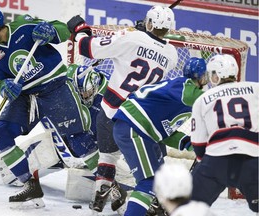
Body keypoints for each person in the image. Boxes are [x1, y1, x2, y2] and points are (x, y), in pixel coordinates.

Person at [0, 7, 93, 208]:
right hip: (27, 96)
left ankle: (110, 186)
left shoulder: (24, 26)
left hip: (54, 87)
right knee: (0, 135)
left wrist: (50, 31)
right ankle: (31, 188)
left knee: (78, 140)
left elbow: (62, 29)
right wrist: (5, 87)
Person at [67, 5, 178, 213]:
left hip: (111, 113)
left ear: (149, 22)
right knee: (153, 168)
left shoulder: (131, 38)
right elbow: (151, 51)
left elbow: (87, 48)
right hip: (141, 120)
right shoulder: (172, 55)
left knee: (107, 156)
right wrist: (144, 34)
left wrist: (80, 30)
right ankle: (156, 202)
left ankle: (100, 196)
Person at [112, 57, 208, 216]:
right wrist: (221, 99)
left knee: (161, 179)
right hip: (134, 128)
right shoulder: (184, 86)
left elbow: (165, 132)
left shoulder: (177, 94)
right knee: (149, 182)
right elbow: (195, 97)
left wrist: (192, 144)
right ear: (202, 77)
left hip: (140, 130)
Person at [190, 54, 259, 213]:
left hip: (215, 161)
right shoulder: (256, 88)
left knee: (189, 209)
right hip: (252, 161)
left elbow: (199, 146)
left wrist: (206, 166)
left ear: (215, 75)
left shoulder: (203, 99)